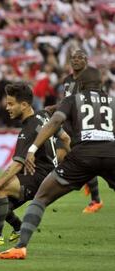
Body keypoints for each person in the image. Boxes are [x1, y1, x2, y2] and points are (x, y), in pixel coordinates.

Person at [0, 88, 115, 259]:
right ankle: (95, 199)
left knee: (41, 197)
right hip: (111, 152)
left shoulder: (72, 99)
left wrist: (33, 148)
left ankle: (20, 247)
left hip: (82, 154)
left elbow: (55, 122)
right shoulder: (111, 102)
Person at [0, 82, 69, 245]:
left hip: (39, 178)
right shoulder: (44, 115)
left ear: (25, 105)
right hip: (45, 175)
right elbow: (65, 138)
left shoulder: (28, 129)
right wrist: (64, 160)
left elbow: (18, 164)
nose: (7, 108)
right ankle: (18, 228)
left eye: (11, 104)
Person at [50, 49, 104, 213]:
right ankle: (88, 184)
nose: (76, 60)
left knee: (82, 161)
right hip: (67, 125)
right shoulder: (67, 80)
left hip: (82, 126)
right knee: (60, 158)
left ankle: (96, 199)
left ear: (86, 61)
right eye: (73, 58)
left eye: (80, 57)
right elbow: (67, 101)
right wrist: (53, 108)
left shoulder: (89, 80)